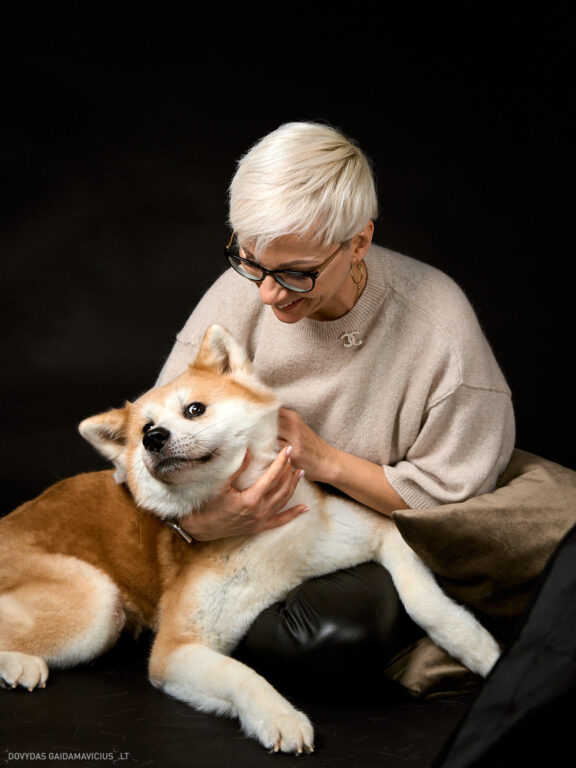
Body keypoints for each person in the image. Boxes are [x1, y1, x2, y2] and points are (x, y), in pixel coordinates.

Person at [155, 122, 515, 685]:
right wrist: (196, 524)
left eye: (296, 274)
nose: (267, 293)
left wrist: (325, 461)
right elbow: (156, 428)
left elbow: (452, 502)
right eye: (250, 260)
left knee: (327, 636)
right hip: (239, 528)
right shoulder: (245, 288)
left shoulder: (437, 327)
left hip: (367, 529)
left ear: (358, 243)